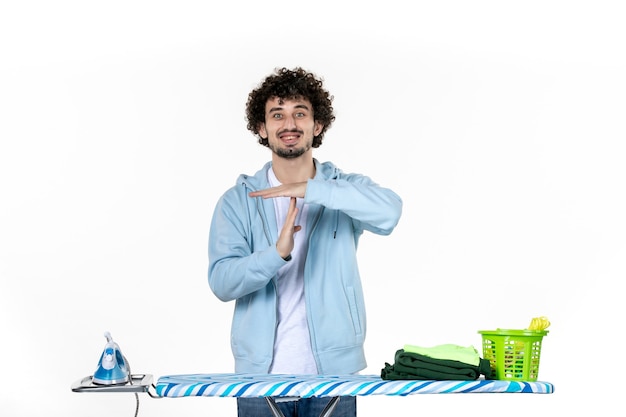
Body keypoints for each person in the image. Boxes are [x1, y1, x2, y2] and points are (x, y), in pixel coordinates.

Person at [208, 67, 403, 417]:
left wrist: (314, 190)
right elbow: (222, 282)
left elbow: (390, 212)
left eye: (300, 113)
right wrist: (275, 255)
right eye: (277, 114)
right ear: (261, 128)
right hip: (259, 381)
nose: (289, 124)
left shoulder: (343, 190)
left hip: (334, 380)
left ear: (318, 125)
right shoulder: (238, 200)